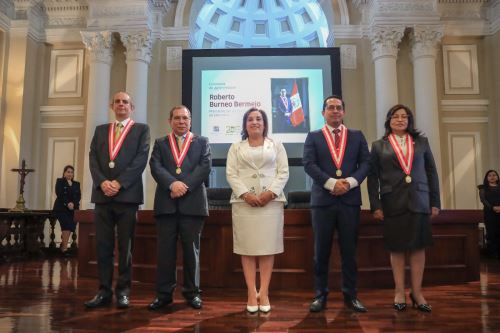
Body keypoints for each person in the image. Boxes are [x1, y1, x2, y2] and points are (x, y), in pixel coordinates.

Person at [367, 104, 440, 313]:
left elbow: (431, 172)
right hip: (392, 202)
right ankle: (399, 291)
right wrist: (376, 205)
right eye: (395, 117)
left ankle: (417, 292)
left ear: (410, 121)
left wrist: (435, 202)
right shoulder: (379, 146)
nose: (400, 120)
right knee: (397, 248)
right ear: (389, 120)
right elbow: (372, 178)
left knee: (418, 247)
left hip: (419, 200)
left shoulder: (422, 142)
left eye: (404, 117)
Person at [303, 95, 370, 313]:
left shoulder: (357, 136)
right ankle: (320, 295)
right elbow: (309, 164)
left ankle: (351, 295)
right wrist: (332, 183)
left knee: (349, 252)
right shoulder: (313, 137)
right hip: (323, 202)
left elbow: (366, 164)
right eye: (330, 108)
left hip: (349, 201)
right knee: (321, 251)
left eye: (338, 108)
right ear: (323, 113)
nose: (335, 111)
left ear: (344, 112)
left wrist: (349, 183)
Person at [85, 91, 150, 309]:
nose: (121, 104)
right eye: (118, 102)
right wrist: (103, 182)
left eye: (126, 102)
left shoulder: (141, 130)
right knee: (103, 246)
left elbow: (141, 159)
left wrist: (119, 183)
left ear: (132, 107)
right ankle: (103, 292)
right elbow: (93, 158)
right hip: (102, 196)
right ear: (112, 106)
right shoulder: (101, 130)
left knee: (126, 247)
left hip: (128, 197)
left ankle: (123, 292)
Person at [148, 105, 211, 311]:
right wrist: (172, 184)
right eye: (177, 118)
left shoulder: (202, 142)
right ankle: (164, 295)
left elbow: (205, 167)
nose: (181, 121)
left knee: (191, 252)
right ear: (170, 121)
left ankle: (192, 294)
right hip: (166, 206)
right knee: (165, 253)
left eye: (185, 118)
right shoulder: (160, 143)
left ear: (190, 121)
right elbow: (155, 167)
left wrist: (183, 186)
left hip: (192, 205)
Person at [226, 107, 289, 313]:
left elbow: (283, 172)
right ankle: (251, 293)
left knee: (267, 248)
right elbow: (231, 174)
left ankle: (265, 292)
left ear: (264, 124)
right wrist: (246, 194)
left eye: (259, 119)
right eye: (251, 119)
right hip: (244, 204)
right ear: (245, 124)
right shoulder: (236, 147)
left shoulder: (276, 145)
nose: (255, 122)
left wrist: (269, 193)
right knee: (247, 249)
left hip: (271, 203)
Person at [52, 165, 81, 257]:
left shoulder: (76, 184)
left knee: (70, 227)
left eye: (71, 172)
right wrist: (67, 203)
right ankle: (64, 248)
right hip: (62, 208)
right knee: (66, 226)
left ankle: (63, 247)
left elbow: (78, 196)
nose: (70, 174)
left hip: (73, 209)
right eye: (68, 172)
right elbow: (59, 193)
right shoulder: (60, 182)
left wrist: (73, 204)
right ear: (64, 173)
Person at [478, 170, 500, 258]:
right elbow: (483, 200)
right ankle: (493, 253)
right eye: (489, 175)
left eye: (494, 175)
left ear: (497, 177)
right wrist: (492, 207)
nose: (492, 177)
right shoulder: (483, 188)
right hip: (489, 213)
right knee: (491, 232)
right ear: (486, 178)